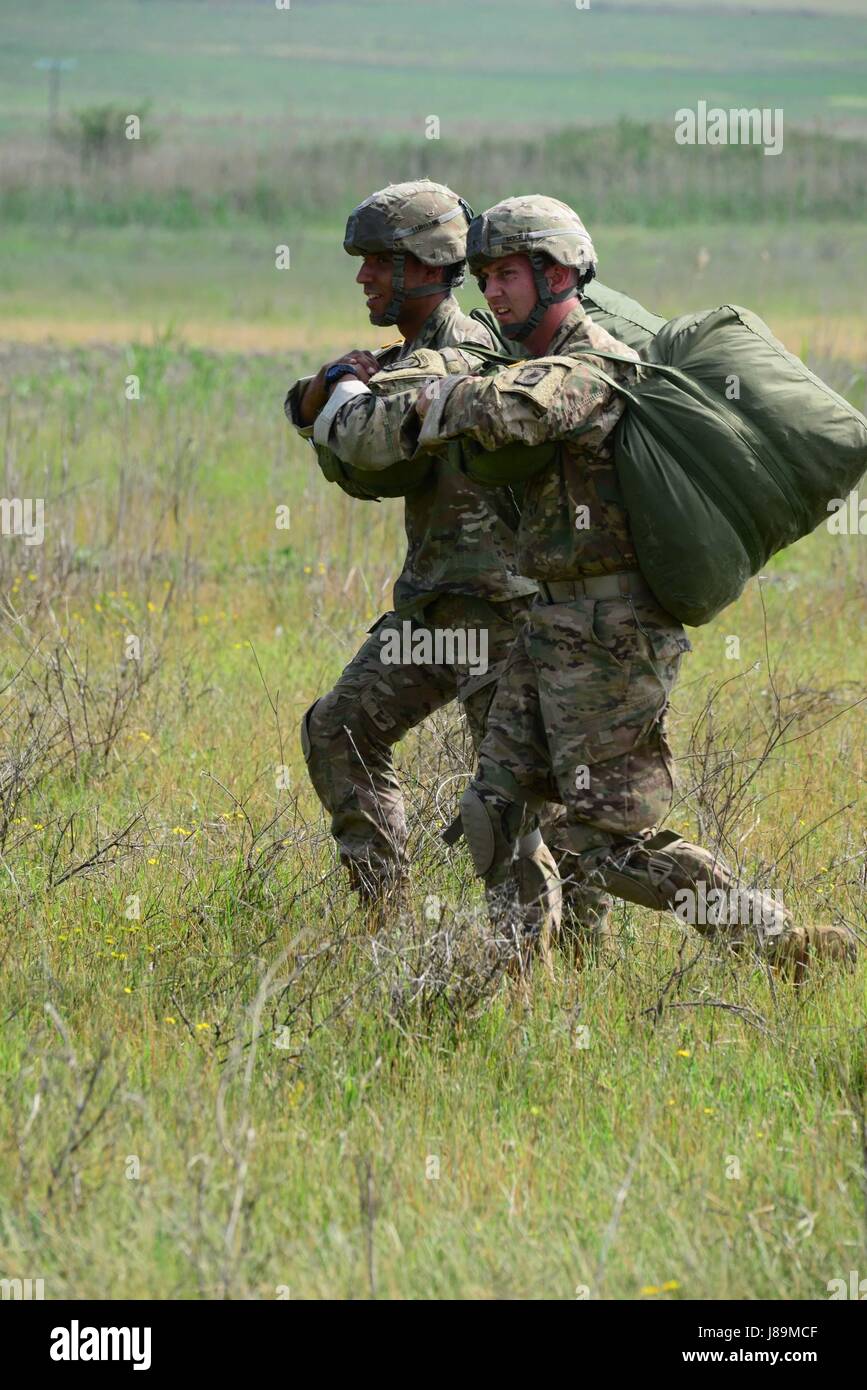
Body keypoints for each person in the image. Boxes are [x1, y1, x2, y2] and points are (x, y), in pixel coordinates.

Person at [324, 194, 857, 979]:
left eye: (505, 274)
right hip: (549, 625)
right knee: (496, 815)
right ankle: (506, 988)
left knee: (598, 846)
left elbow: (488, 413)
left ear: (560, 273)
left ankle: (774, 942)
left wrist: (359, 397)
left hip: (612, 637)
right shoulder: (527, 359)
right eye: (483, 276)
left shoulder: (588, 369)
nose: (492, 292)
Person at [285, 180, 559, 938]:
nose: (363, 277)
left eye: (379, 261)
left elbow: (362, 431)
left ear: (426, 265)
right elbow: (328, 412)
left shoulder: (457, 354)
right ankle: (385, 923)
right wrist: (321, 388)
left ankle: (537, 979)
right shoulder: (408, 354)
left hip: (501, 616)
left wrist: (331, 387)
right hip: (438, 609)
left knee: (509, 810)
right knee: (338, 729)